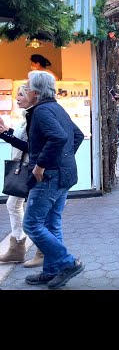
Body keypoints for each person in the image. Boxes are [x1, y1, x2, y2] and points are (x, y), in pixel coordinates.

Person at [22, 70, 85, 289]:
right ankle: (51, 270)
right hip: (63, 175)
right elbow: (75, 136)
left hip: (49, 176)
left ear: (37, 92)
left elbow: (59, 137)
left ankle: (68, 263)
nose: (25, 91)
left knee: (31, 224)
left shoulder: (41, 111)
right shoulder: (56, 107)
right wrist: (64, 159)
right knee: (51, 223)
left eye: (28, 87)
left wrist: (41, 164)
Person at [0, 85, 44, 267]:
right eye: (16, 94)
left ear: (31, 96)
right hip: (25, 168)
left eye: (21, 94)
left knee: (34, 211)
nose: (17, 98)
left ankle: (36, 249)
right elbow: (23, 141)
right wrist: (7, 132)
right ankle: (18, 246)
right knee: (17, 205)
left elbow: (31, 148)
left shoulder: (33, 117)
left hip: (30, 169)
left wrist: (6, 136)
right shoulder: (25, 118)